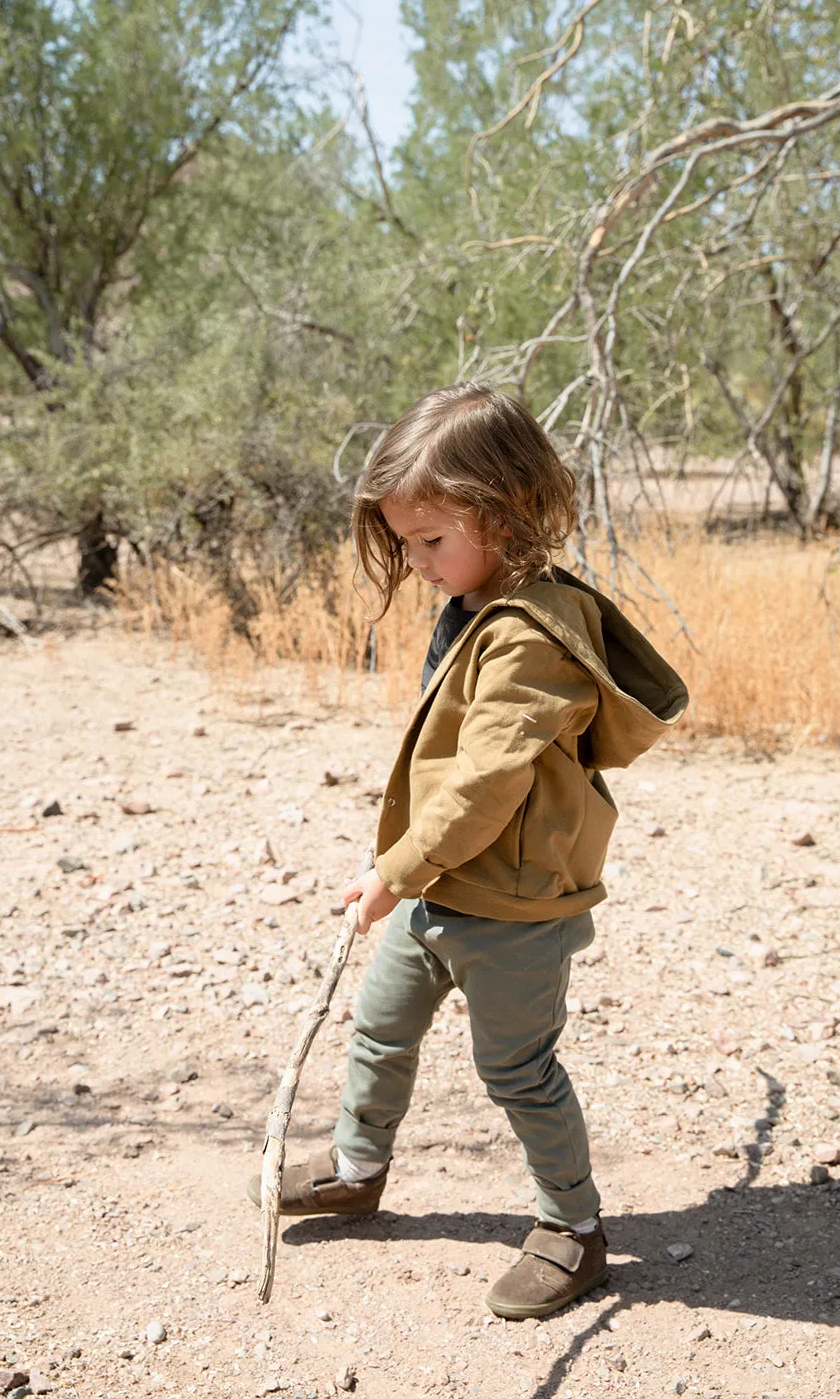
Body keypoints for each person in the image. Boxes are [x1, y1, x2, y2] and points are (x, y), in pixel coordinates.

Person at [247, 383, 688, 1319]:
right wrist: (410, 877)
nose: (414, 561)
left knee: (517, 1072)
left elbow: (488, 783)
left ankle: (573, 1233)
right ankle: (357, 1170)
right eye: (404, 542)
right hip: (442, 886)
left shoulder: (533, 634)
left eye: (429, 540)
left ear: (505, 510)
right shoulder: (482, 599)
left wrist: (392, 870)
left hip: (515, 906)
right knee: (381, 1024)